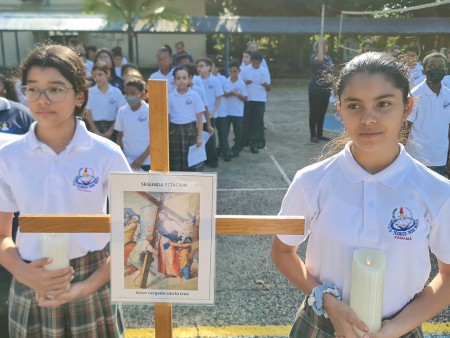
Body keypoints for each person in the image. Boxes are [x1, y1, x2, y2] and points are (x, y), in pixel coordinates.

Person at [271, 51, 450, 338]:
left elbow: (448, 276)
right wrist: (326, 300)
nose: (368, 118)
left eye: (384, 104)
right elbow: (282, 252)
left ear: (407, 108)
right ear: (340, 110)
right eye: (355, 106)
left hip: (401, 329)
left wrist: (397, 327)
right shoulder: (311, 181)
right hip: (321, 324)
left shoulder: (436, 191)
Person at [0, 44, 132, 337]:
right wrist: (26, 275)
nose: (41, 99)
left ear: (79, 96)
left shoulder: (106, 154)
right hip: (31, 276)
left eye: (55, 89)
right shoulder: (8, 156)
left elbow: (134, 232)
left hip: (93, 275)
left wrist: (87, 285)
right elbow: (2, 235)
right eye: (32, 89)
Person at [405, 52, 450, 177]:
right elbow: (405, 127)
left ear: (446, 70)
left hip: (439, 157)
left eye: (441, 66)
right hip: (417, 158)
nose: (437, 69)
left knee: (436, 195)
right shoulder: (415, 95)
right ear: (424, 71)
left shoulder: (448, 95)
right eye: (432, 66)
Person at [168, 66, 204, 171]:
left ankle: (194, 186)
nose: (181, 81)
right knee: (176, 162)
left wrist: (199, 136)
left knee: (192, 161)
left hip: (191, 132)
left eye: (184, 78)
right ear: (174, 80)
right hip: (174, 132)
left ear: (190, 79)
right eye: (178, 78)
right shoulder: (170, 97)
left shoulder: (194, 96)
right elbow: (168, 116)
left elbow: (200, 118)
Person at [115, 78, 150, 171]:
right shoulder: (122, 111)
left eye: (133, 93)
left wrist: (142, 159)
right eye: (127, 93)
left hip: (147, 161)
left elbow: (156, 139)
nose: (129, 96)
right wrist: (121, 155)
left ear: (142, 94)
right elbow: (119, 136)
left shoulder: (150, 111)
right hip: (128, 161)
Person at [85, 62, 127, 141]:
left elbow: (120, 112)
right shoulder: (90, 92)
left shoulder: (116, 92)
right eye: (94, 75)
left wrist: (110, 131)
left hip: (113, 127)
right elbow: (88, 113)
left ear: (107, 74)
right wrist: (95, 131)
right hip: (95, 126)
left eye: (100, 74)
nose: (97, 78)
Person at [240, 51, 271, 154]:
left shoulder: (264, 71)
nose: (256, 64)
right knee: (246, 121)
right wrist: (245, 83)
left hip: (260, 99)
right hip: (248, 99)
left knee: (257, 122)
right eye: (254, 61)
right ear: (251, 61)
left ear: (261, 62)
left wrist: (266, 85)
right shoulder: (244, 70)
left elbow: (269, 88)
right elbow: (239, 84)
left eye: (258, 62)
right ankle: (244, 140)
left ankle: (255, 144)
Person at [196, 58, 223, 167]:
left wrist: (213, 111)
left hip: (211, 115)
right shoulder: (196, 80)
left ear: (209, 67)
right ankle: (204, 158)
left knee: (210, 138)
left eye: (202, 66)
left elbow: (219, 97)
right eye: (198, 66)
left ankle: (213, 159)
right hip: (199, 115)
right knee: (201, 137)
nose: (199, 68)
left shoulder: (215, 80)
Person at [308, 37, 333, 143]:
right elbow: (319, 60)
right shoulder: (314, 56)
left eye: (325, 45)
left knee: (322, 112)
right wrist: (320, 46)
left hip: (325, 88)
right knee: (314, 112)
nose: (325, 47)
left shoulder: (329, 58)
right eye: (322, 45)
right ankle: (313, 135)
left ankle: (320, 134)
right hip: (315, 88)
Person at [224, 60, 248, 157]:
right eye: (231, 71)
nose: (233, 74)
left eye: (235, 71)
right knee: (224, 132)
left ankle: (237, 148)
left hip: (238, 112)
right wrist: (231, 93)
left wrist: (237, 94)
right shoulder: (226, 81)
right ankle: (224, 148)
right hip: (226, 112)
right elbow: (223, 94)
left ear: (239, 71)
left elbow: (245, 98)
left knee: (238, 132)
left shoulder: (241, 83)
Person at [211, 59, 233, 161]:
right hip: (211, 112)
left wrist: (218, 92)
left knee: (223, 133)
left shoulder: (222, 79)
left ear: (217, 69)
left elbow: (228, 92)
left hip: (222, 111)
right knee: (210, 135)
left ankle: (226, 152)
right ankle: (212, 154)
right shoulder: (205, 79)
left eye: (212, 67)